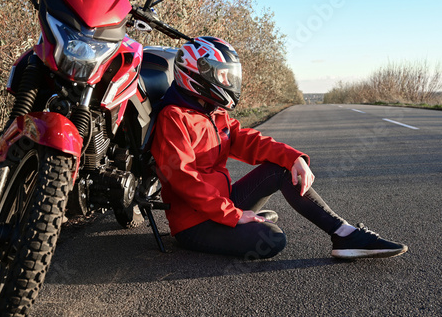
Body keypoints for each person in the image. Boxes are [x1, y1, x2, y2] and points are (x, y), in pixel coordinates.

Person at [150, 36, 408, 260]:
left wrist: (294, 158)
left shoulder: (213, 112)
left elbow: (250, 141)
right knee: (273, 240)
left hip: (223, 203)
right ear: (198, 73)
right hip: (194, 223)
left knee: (281, 170)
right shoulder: (173, 117)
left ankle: (345, 235)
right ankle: (249, 222)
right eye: (222, 75)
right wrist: (234, 216)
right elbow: (183, 179)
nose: (228, 81)